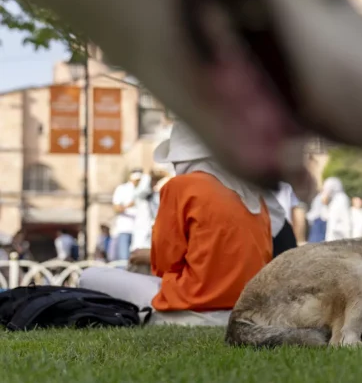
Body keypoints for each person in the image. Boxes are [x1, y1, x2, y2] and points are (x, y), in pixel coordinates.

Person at [79, 120, 273, 326]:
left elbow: (166, 263)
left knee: (90, 275)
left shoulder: (181, 186)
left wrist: (149, 256)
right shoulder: (253, 192)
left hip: (195, 300)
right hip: (245, 304)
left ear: (183, 159)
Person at [110, 169, 142, 261]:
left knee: (137, 260)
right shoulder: (122, 189)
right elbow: (116, 208)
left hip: (140, 231)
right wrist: (129, 205)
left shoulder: (143, 190)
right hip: (125, 229)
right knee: (123, 260)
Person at [266, 182, 300, 257]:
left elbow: (295, 211)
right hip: (274, 225)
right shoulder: (286, 186)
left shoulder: (286, 187)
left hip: (278, 226)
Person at [320, 177, 351, 242]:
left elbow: (324, 198)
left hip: (337, 202)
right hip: (344, 200)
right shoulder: (336, 198)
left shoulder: (328, 182)